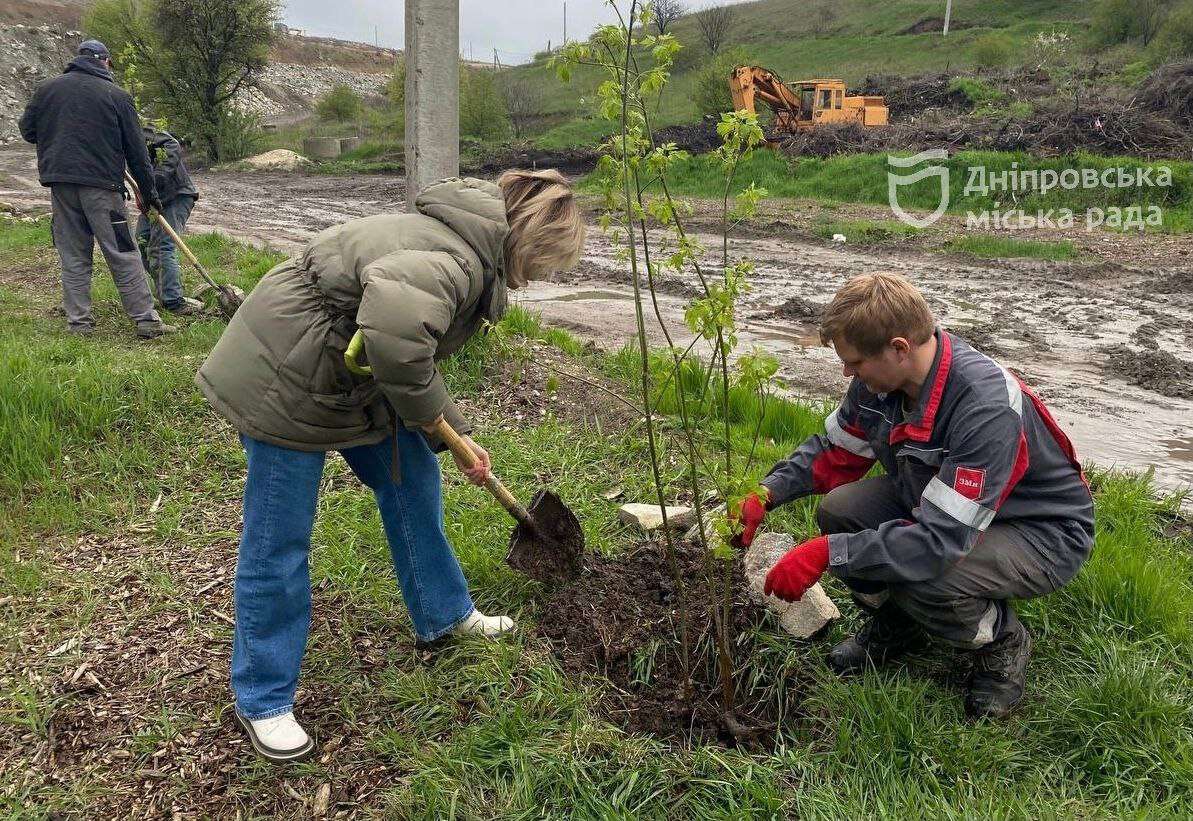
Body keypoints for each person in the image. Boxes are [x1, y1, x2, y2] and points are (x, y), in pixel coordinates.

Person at [196, 170, 586, 763]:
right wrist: (437, 419)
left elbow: (403, 345)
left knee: (413, 481)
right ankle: (264, 696)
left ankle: (443, 611)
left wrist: (455, 431)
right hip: (288, 372)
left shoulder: (461, 244)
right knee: (279, 538)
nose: (544, 277)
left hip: (352, 372)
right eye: (550, 263)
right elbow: (401, 343)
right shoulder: (455, 261)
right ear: (530, 241)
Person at [734, 272, 1093, 719]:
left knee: (930, 578)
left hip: (1035, 530)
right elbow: (834, 454)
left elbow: (938, 543)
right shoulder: (878, 384)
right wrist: (765, 492)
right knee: (840, 512)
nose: (848, 372)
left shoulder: (984, 407)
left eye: (855, 362)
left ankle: (1000, 642)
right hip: (942, 503)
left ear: (899, 348)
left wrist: (828, 554)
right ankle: (898, 625)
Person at [18, 39, 174, 338]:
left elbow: (28, 131)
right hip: (103, 188)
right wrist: (150, 193)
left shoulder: (47, 90)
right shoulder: (117, 96)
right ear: (104, 61)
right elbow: (137, 152)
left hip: (61, 186)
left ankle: (79, 325)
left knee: (74, 255)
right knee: (122, 252)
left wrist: (59, 134)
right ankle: (146, 321)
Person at [137, 125, 203, 315]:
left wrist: (156, 179)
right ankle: (164, 294)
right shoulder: (112, 139)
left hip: (176, 195)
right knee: (142, 242)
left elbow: (171, 144)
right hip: (152, 200)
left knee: (161, 246)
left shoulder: (137, 128)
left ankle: (174, 301)